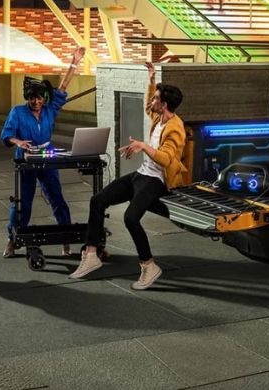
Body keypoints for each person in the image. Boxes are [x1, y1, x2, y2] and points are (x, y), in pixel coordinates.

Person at [69, 61, 187, 289]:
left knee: (131, 218)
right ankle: (91, 254)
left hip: (157, 181)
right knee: (98, 200)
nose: (151, 101)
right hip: (142, 175)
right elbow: (148, 105)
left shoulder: (175, 128)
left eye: (156, 98)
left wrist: (143, 146)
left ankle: (149, 266)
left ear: (164, 105)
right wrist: (152, 79)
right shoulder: (159, 118)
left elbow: (166, 159)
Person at [1, 47, 85, 258]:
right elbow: (7, 133)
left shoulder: (50, 109)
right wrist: (19, 141)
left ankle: (66, 240)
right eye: (33, 99)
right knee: (23, 202)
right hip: (26, 158)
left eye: (40, 98)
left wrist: (73, 63)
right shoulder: (18, 112)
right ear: (28, 98)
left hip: (47, 155)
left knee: (57, 197)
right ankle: (13, 240)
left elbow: (63, 87)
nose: (37, 102)